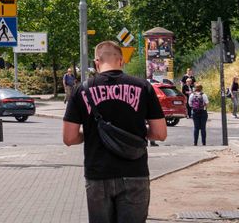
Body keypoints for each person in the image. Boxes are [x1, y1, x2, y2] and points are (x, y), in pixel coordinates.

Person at [63, 41, 167, 223]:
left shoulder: (82, 90)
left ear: (97, 62)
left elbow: (69, 138)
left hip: (98, 174)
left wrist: (91, 134)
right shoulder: (143, 87)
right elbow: (160, 133)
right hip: (135, 172)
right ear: (121, 61)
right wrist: (139, 134)